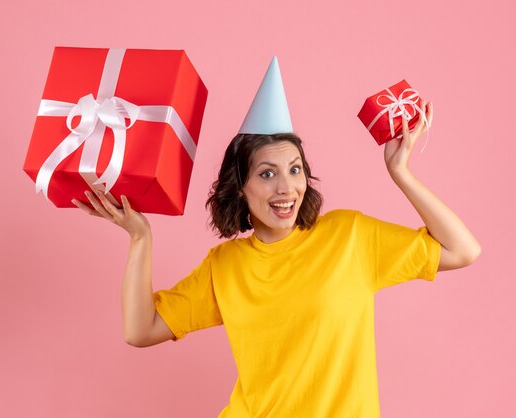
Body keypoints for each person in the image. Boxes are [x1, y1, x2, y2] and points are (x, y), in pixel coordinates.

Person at [72, 58, 481, 417]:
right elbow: (140, 330)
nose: (286, 187)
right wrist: (140, 238)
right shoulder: (225, 265)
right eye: (267, 173)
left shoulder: (349, 236)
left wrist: (401, 174)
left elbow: (462, 250)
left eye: (295, 169)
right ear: (241, 186)